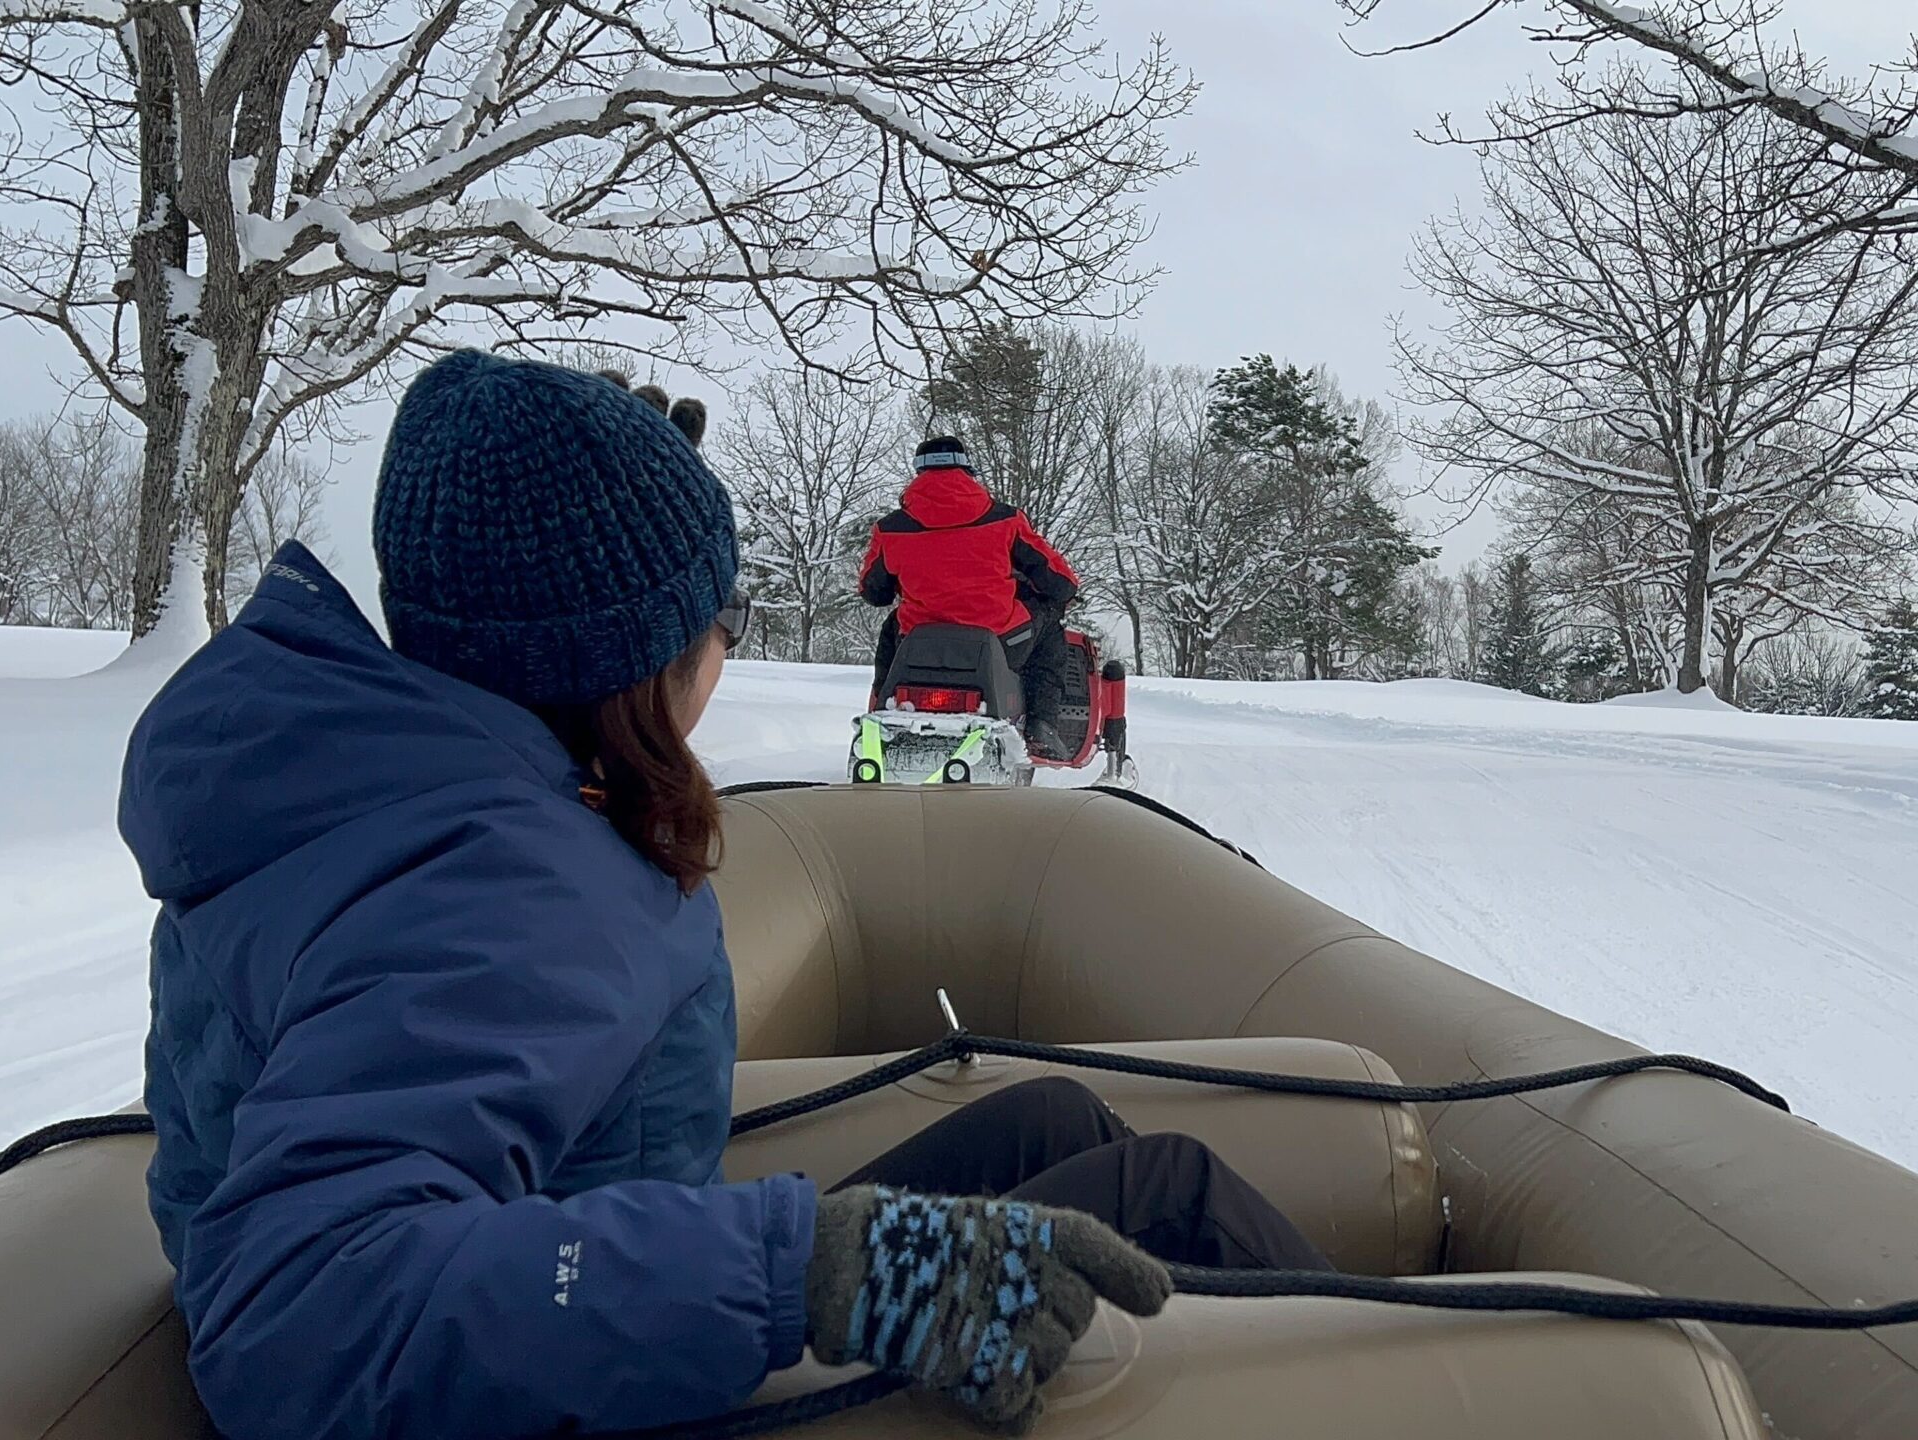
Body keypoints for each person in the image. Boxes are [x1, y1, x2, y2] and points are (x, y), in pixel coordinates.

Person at [119, 352, 1324, 1440]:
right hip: (576, 1397)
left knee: (1054, 1121)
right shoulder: (512, 882)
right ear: (631, 663)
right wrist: (801, 1277)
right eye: (721, 615)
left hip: (577, 1309)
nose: (728, 644)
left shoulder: (419, 793)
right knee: (1172, 1192)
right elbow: (303, 1313)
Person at [858, 436, 1080, 754]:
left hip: (921, 645)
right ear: (967, 469)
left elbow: (873, 592)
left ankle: (883, 709)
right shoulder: (1004, 520)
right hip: (1000, 640)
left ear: (918, 473)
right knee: (1050, 626)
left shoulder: (890, 530)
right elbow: (1062, 584)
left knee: (892, 624)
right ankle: (1041, 725)